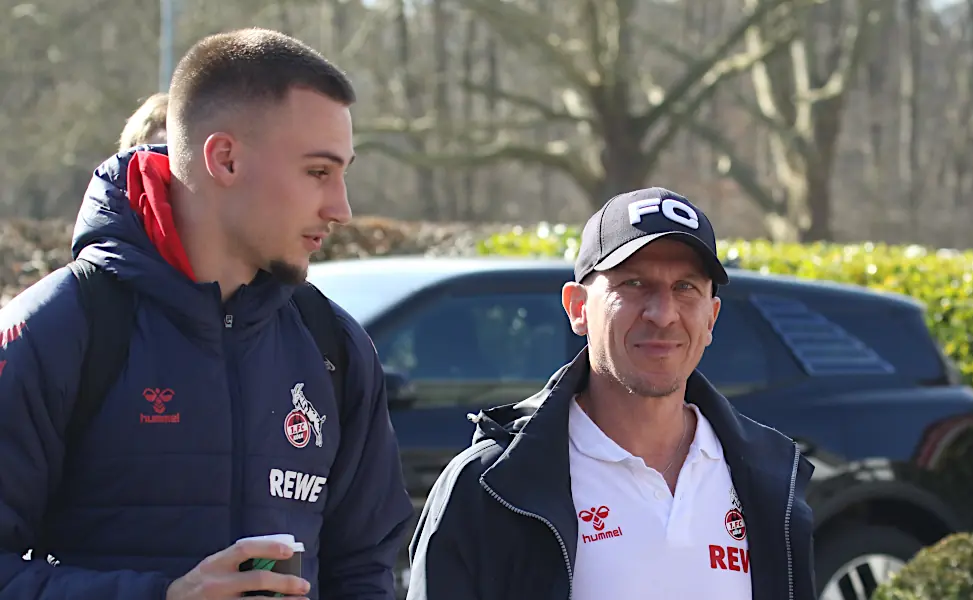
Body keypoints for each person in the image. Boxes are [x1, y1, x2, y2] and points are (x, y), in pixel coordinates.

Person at [0, 28, 412, 600]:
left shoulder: (334, 345)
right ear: (225, 158)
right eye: (318, 172)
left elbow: (363, 572)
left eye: (343, 173)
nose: (341, 208)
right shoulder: (57, 330)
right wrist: (162, 596)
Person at [406, 187, 817, 600]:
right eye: (634, 283)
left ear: (711, 317)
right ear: (577, 308)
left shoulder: (770, 481)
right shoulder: (490, 486)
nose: (663, 313)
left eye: (685, 287)